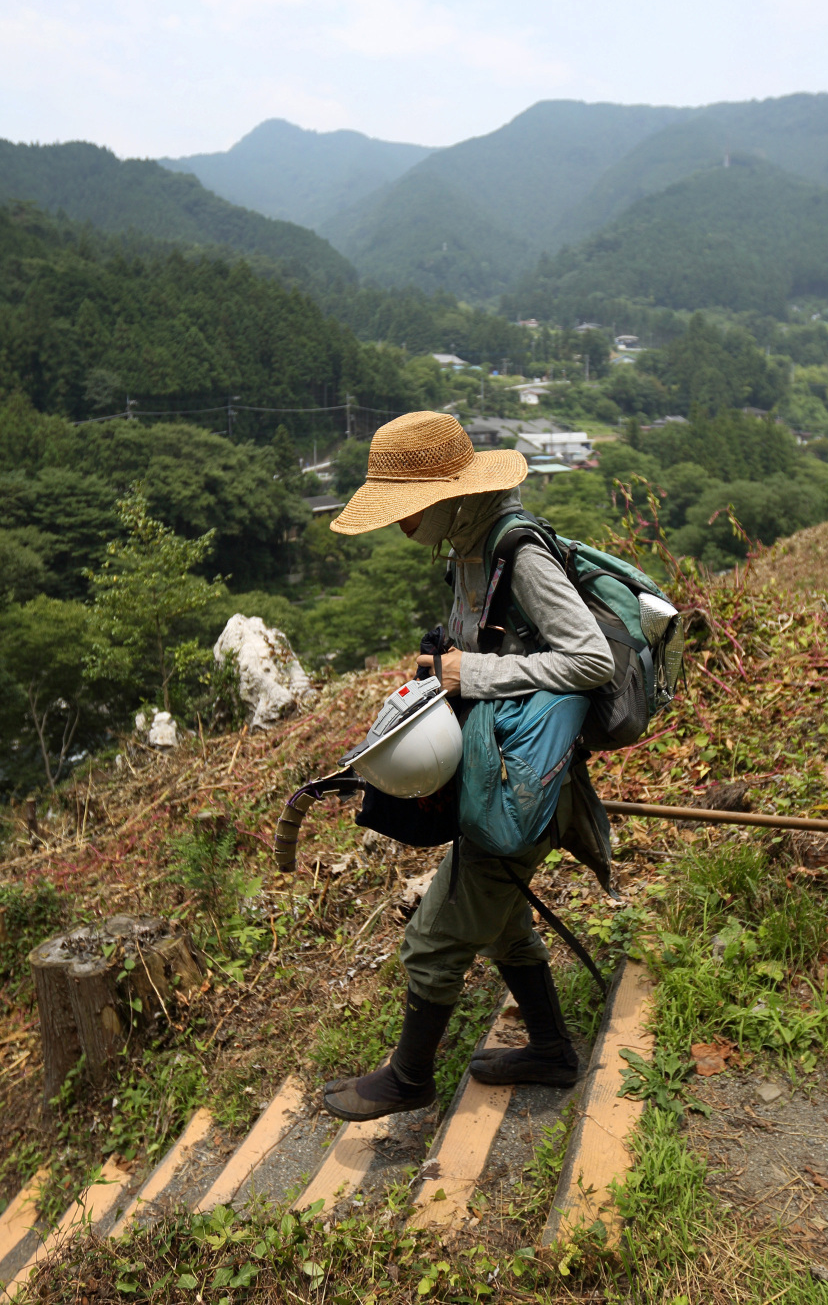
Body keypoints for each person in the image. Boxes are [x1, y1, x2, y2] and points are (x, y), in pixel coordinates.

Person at [319, 411, 615, 1123]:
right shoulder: (469, 544)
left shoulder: (519, 551)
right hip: (501, 766)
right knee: (503, 909)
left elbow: (591, 658)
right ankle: (548, 1047)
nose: (400, 525)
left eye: (407, 508)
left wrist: (471, 672)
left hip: (523, 774)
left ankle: (409, 1077)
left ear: (451, 494)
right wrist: (444, 660)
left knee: (437, 933)